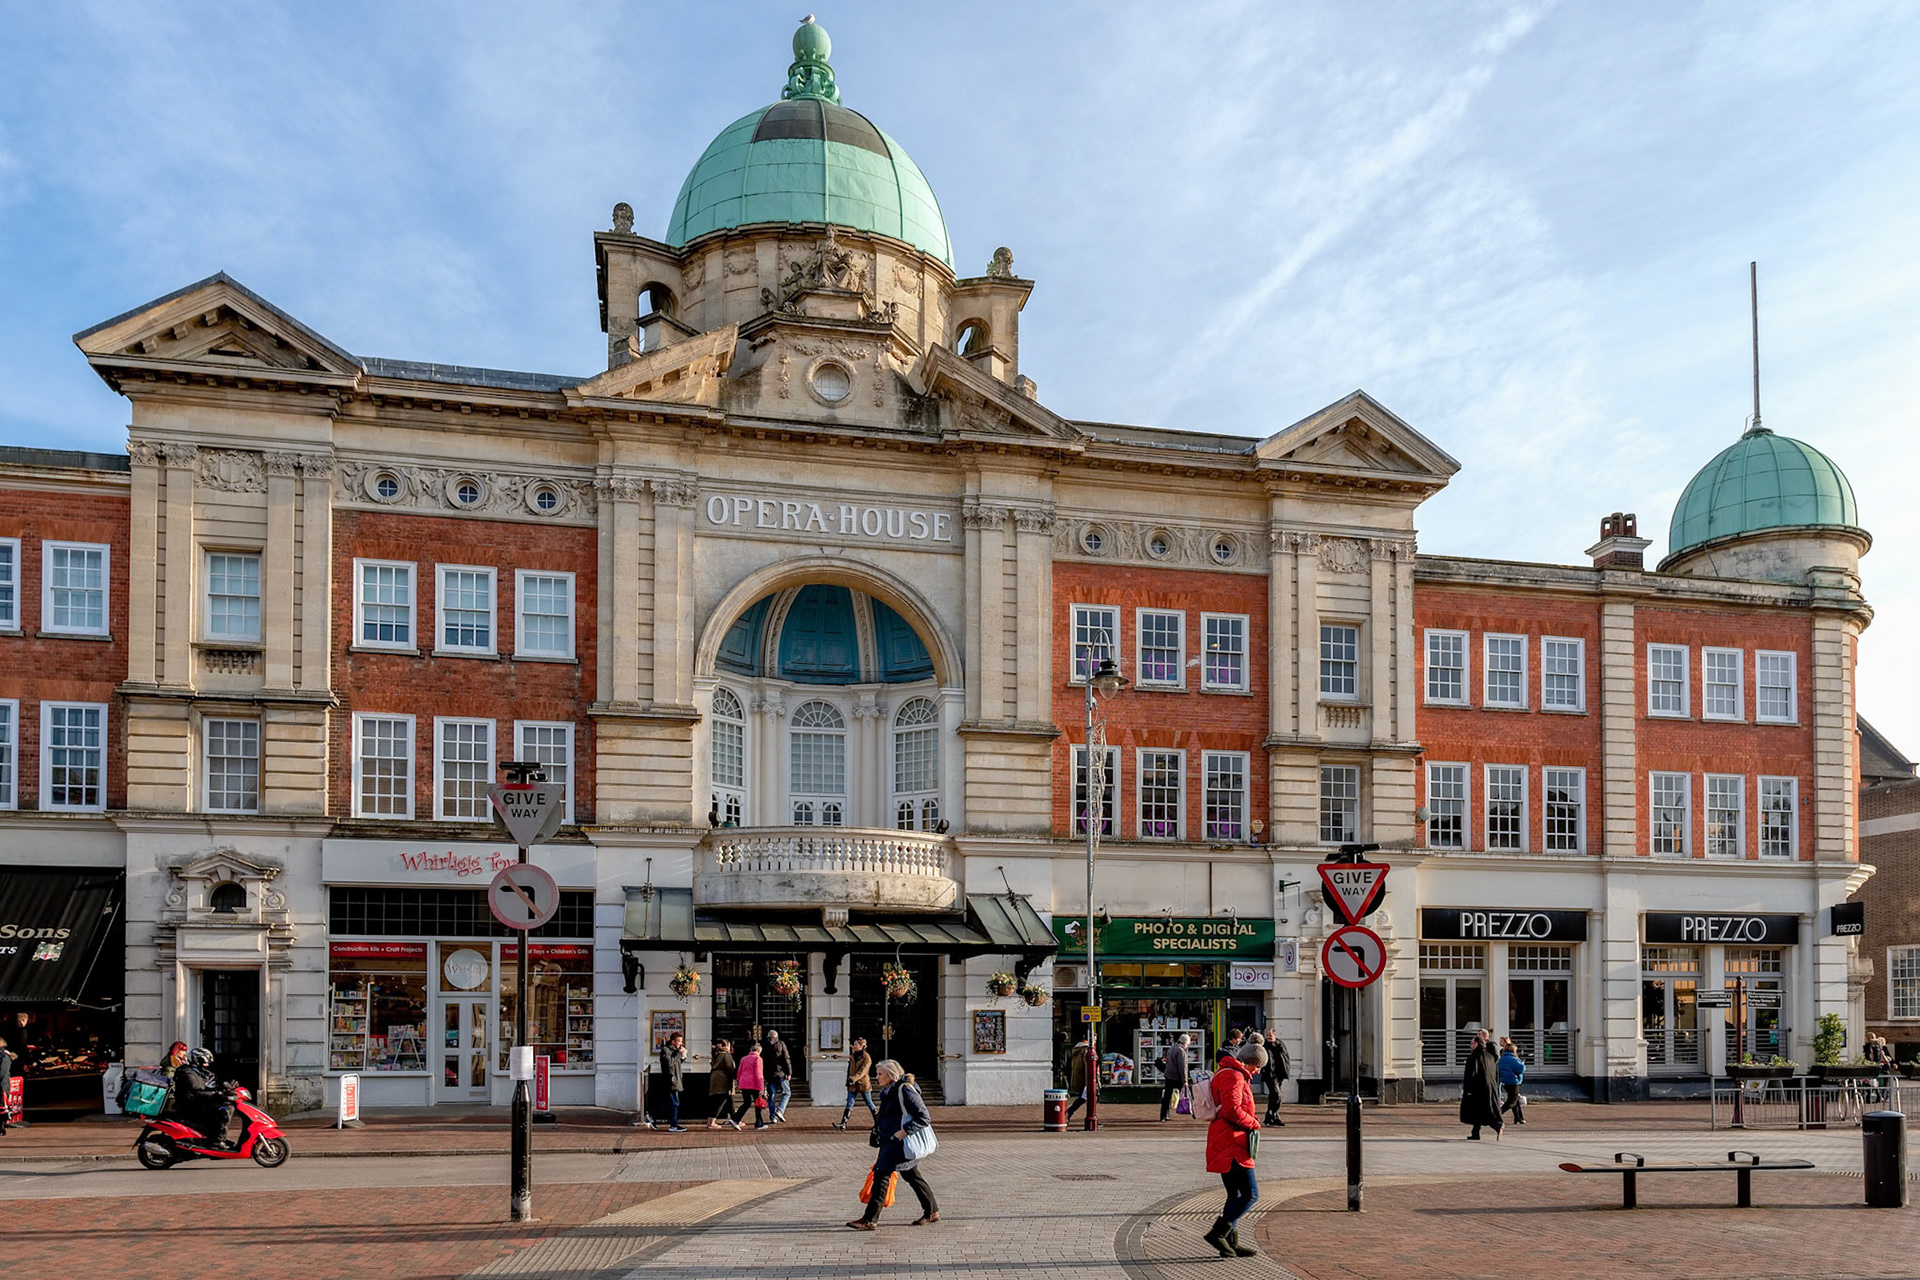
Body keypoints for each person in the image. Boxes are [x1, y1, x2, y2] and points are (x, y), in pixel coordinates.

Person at [846, 1058, 938, 1230]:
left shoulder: (905, 1090)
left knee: (881, 1176)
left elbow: (924, 1117)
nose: (877, 1077)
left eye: (880, 1074)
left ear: (891, 1075)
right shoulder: (888, 1091)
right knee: (912, 1176)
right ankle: (932, 1211)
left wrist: (904, 1131)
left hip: (898, 1143)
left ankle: (869, 1219)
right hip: (890, 1141)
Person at [1202, 1041, 1264, 1258]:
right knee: (1251, 1194)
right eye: (1258, 1066)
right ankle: (1218, 1233)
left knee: (1235, 1194)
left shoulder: (1229, 1073)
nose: (1258, 1071)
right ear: (1249, 1062)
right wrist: (1254, 1123)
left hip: (1225, 1140)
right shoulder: (1234, 1076)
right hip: (1232, 1143)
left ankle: (1230, 1243)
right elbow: (1232, 1110)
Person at [172, 1047, 231, 1147]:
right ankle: (217, 1141)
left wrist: (228, 1087)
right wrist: (217, 1094)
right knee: (224, 1110)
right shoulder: (188, 1073)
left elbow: (212, 1082)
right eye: (205, 1062)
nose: (207, 1065)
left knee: (226, 1106)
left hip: (198, 1102)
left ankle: (214, 1136)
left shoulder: (199, 1072)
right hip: (190, 1105)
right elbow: (197, 1092)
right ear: (197, 1061)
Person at [1460, 1029, 1503, 1140]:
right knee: (1478, 1111)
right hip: (1489, 1087)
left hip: (1478, 1089)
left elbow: (1471, 1074)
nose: (1470, 1046)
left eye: (1472, 1044)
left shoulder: (1475, 1056)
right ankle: (1475, 1133)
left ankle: (1497, 1126)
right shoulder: (1489, 1056)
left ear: (1477, 1043)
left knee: (1482, 1110)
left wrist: (1468, 1089)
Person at [834, 1037, 877, 1130]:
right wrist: (848, 1080)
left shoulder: (866, 1057)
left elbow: (863, 1071)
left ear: (861, 1046)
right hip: (852, 1084)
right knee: (849, 1102)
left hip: (863, 1083)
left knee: (869, 1102)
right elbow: (850, 1069)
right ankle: (843, 1123)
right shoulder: (853, 1056)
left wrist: (853, 1078)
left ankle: (878, 1123)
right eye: (854, 1044)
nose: (854, 1046)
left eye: (856, 1044)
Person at [732, 1041, 770, 1129]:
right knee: (758, 1104)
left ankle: (735, 1119)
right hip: (754, 1084)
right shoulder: (758, 1059)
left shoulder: (744, 1059)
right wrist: (761, 1088)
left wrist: (739, 1082)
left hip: (744, 1083)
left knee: (747, 1103)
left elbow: (739, 1071)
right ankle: (759, 1123)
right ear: (759, 1051)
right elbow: (758, 1074)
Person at [656, 1032, 689, 1132]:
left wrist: (683, 1056)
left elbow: (676, 1063)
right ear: (673, 1041)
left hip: (676, 1078)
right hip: (670, 1080)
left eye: (681, 1041)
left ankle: (653, 1117)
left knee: (669, 1102)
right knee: (674, 1103)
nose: (680, 1043)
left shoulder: (675, 1050)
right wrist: (678, 1054)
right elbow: (669, 1063)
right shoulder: (665, 1050)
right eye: (679, 1041)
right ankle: (673, 1125)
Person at [706, 1038, 739, 1130]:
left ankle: (735, 1119)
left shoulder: (716, 1054)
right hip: (723, 1080)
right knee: (721, 1100)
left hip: (715, 1079)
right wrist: (735, 1078)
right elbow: (730, 1068)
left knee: (728, 1099)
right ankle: (711, 1122)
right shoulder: (726, 1055)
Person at [1261, 1029, 1290, 1126]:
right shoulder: (1264, 1046)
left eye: (1270, 1035)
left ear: (1275, 1035)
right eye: (1267, 1035)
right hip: (1269, 1074)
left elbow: (1286, 1058)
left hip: (1279, 1073)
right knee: (1278, 1095)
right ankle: (1274, 1115)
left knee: (1273, 1096)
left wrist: (1286, 1070)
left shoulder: (1280, 1044)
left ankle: (1270, 1116)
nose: (1268, 1037)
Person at [1158, 1033, 1190, 1122]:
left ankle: (1164, 1115)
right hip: (1177, 1077)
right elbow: (1182, 1067)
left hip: (1168, 1075)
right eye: (1188, 1044)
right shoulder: (1181, 1051)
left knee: (1167, 1096)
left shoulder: (1171, 1048)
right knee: (1186, 1094)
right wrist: (1185, 1080)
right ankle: (1191, 1111)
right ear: (1185, 1043)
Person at [764, 1030, 793, 1123]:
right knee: (787, 1092)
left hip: (769, 1074)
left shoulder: (765, 1046)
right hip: (780, 1073)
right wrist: (789, 1072)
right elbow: (786, 1058)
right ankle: (780, 1111)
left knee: (772, 1095)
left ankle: (772, 1116)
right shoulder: (780, 1044)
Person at [1496, 1036, 1527, 1125]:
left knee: (1515, 1100)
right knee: (1512, 1101)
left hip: (1505, 1081)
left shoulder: (1502, 1059)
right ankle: (1497, 1114)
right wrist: (1523, 1064)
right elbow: (1520, 1069)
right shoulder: (1513, 1059)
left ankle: (1518, 1118)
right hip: (1513, 1081)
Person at [1064, 1037, 1090, 1119]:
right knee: (1084, 1097)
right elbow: (1086, 1065)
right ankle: (1069, 1112)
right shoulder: (1085, 1050)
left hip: (1078, 1077)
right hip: (1085, 1078)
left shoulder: (1077, 1049)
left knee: (1086, 1097)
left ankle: (1070, 1112)